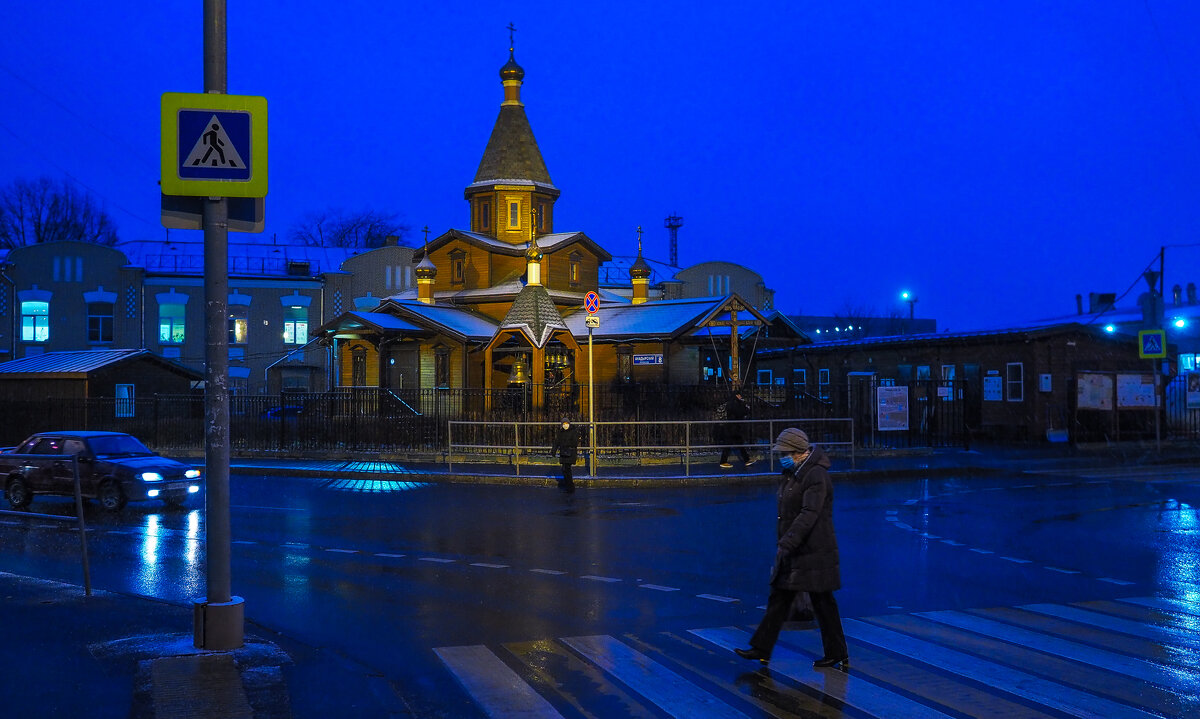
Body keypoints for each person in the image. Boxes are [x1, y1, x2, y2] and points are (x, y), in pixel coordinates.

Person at [735, 428, 848, 669]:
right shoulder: (792, 473)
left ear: (799, 453)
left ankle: (837, 651)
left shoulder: (816, 476)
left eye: (785, 453)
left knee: (823, 602)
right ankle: (761, 648)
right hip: (795, 548)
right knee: (780, 598)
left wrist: (787, 542)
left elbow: (809, 514)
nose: (781, 457)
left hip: (814, 549)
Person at [718, 389, 755, 468]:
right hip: (732, 428)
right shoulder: (735, 404)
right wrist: (745, 405)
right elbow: (742, 412)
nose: (740, 396)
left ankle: (746, 460)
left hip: (732, 427)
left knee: (738, 444)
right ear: (736, 395)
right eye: (739, 395)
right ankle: (723, 461)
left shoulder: (731, 403)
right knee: (730, 444)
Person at [553, 417, 580, 493]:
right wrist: (553, 450)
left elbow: (575, 442)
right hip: (563, 453)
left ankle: (570, 486)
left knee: (567, 469)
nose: (565, 425)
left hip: (570, 453)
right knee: (564, 469)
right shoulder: (560, 432)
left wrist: (565, 444)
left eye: (567, 424)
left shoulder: (573, 431)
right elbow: (556, 442)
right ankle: (569, 485)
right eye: (564, 424)